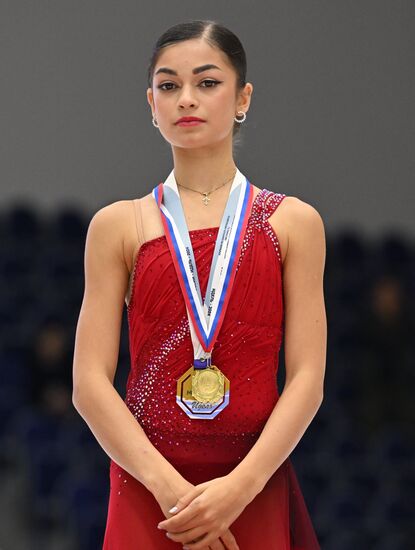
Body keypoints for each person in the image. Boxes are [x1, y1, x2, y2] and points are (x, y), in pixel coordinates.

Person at [72, 19, 327, 550]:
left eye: (207, 82)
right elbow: (89, 383)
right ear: (151, 103)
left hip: (252, 478)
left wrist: (240, 488)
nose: (186, 98)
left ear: (243, 98)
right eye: (169, 85)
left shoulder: (294, 223)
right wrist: (171, 493)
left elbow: (307, 377)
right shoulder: (118, 225)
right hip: (148, 484)